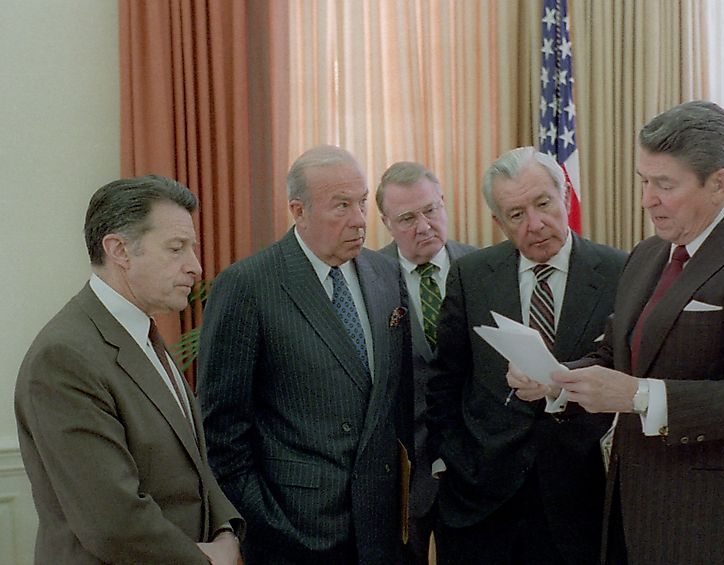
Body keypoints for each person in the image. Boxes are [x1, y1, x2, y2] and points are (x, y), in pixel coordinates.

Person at [507, 101, 724, 564]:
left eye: (665, 184)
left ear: (718, 183)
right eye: (644, 181)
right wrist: (555, 379)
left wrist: (640, 396)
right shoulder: (647, 254)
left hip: (711, 525)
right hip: (629, 514)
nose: (647, 199)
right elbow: (615, 355)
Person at [197, 145, 414, 564]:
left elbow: (398, 402)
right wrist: (267, 523)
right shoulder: (248, 286)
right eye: (341, 206)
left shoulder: (386, 275)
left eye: (362, 202)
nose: (359, 219)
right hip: (293, 535)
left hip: (381, 532)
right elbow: (222, 432)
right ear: (298, 210)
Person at [15, 175, 244, 564]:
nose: (196, 267)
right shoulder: (64, 357)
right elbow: (111, 520)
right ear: (119, 249)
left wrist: (226, 532)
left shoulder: (142, 332)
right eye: (176, 248)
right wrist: (206, 560)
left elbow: (194, 465)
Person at [426, 147, 627, 565]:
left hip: (581, 499)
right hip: (482, 501)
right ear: (499, 223)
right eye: (516, 214)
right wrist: (457, 461)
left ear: (565, 198)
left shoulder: (619, 271)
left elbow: (624, 368)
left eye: (543, 204)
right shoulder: (471, 275)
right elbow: (446, 379)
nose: (535, 224)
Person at [376, 161, 475, 564]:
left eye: (431, 210)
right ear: (385, 222)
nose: (424, 226)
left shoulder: (482, 268)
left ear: (444, 204)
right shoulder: (368, 276)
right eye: (407, 218)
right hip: (401, 474)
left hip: (471, 469)